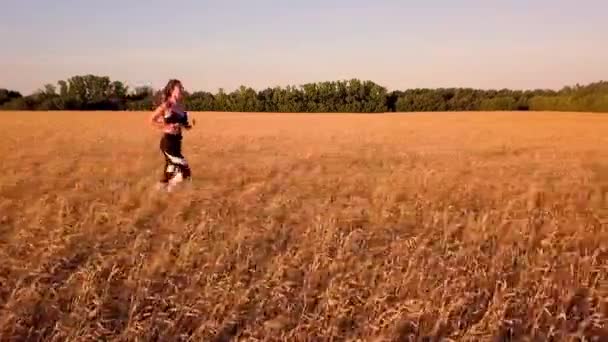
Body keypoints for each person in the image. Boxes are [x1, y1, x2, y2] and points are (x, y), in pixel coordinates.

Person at [150, 79, 195, 191]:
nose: (181, 90)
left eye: (182, 88)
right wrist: (166, 126)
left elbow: (185, 126)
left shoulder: (181, 107)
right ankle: (169, 190)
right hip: (168, 143)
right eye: (179, 88)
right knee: (185, 171)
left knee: (168, 174)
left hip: (177, 143)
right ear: (172, 90)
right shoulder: (167, 105)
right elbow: (152, 120)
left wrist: (190, 125)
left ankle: (156, 195)